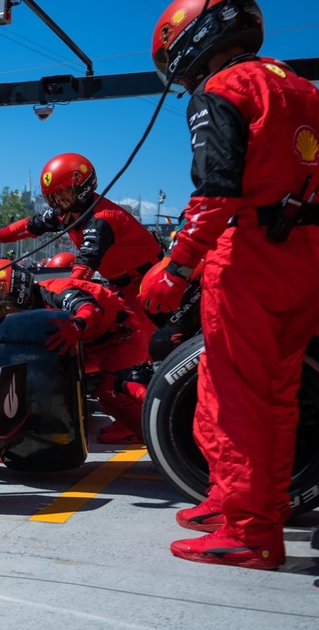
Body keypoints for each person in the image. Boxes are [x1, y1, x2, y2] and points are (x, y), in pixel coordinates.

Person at [140, 0, 319, 571]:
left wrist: (176, 267)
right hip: (305, 258)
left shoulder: (223, 88)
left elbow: (217, 190)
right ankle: (243, 504)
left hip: (249, 260)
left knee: (235, 397)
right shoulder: (302, 87)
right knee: (275, 397)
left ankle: (250, 533)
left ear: (191, 38)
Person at [0, 153, 163, 442]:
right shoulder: (69, 212)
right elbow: (27, 226)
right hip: (125, 284)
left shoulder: (101, 220)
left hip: (147, 285)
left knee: (130, 361)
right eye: (53, 198)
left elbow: (85, 267)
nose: (58, 203)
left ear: (83, 186)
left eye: (64, 195)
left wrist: (66, 296)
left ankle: (147, 417)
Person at [0, 259, 151, 442]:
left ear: (16, 290)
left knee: (109, 388)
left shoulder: (56, 291)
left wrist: (76, 325)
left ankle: (150, 428)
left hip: (121, 339)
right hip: (89, 344)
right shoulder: (32, 308)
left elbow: (89, 308)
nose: (2, 315)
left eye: (1, 307)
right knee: (50, 377)